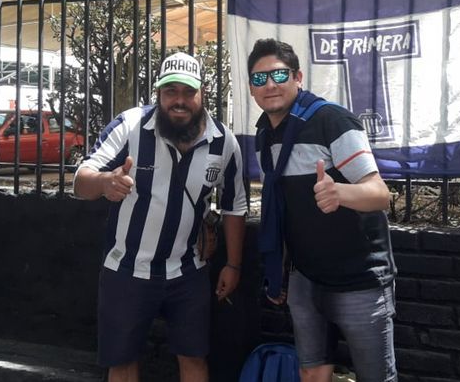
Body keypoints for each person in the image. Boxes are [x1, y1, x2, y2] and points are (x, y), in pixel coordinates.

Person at [74, 52, 247, 382]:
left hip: (189, 272)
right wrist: (104, 182)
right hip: (127, 269)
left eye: (188, 91)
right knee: (122, 362)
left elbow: (235, 206)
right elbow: (81, 180)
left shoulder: (224, 143)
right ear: (158, 93)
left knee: (194, 358)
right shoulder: (130, 126)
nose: (179, 101)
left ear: (202, 93)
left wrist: (234, 264)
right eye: (170, 91)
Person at [248, 39, 397, 382]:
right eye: (259, 78)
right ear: (251, 88)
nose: (269, 85)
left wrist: (340, 192)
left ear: (298, 77)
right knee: (312, 371)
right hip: (305, 278)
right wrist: (280, 269)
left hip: (358, 277)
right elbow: (281, 208)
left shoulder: (332, 120)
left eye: (279, 75)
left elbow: (380, 195)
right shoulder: (263, 134)